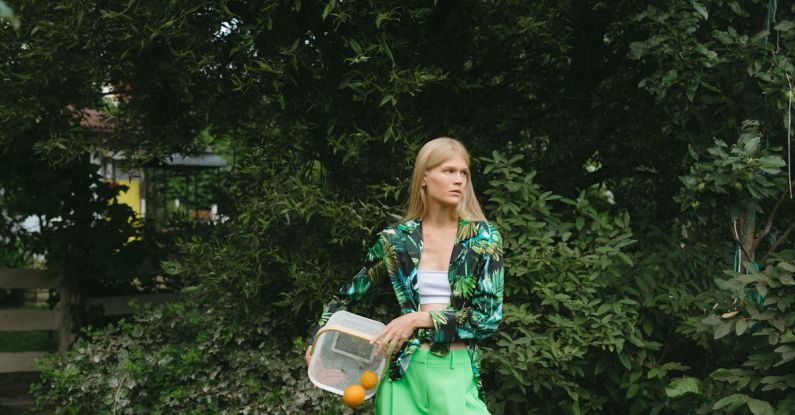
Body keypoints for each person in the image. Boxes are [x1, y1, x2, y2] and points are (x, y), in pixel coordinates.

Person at [305, 137, 504, 414]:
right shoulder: (396, 240)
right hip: (402, 375)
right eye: (449, 171)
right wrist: (318, 342)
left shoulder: (483, 239)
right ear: (424, 177)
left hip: (454, 375)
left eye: (464, 173)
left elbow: (487, 319)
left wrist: (417, 319)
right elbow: (347, 297)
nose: (459, 180)